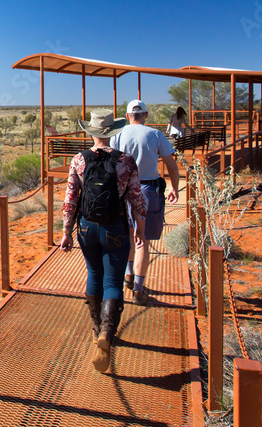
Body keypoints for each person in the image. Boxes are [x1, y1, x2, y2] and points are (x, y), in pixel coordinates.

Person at [60, 109, 146, 373]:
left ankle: (97, 328)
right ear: (112, 133)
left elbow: (70, 199)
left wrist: (66, 232)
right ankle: (107, 333)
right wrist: (140, 228)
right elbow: (136, 198)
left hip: (87, 227)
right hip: (116, 226)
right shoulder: (126, 161)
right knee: (113, 281)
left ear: (91, 132)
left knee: (94, 274)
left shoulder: (79, 160)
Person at [110, 100, 180, 305]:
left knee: (129, 235)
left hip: (124, 191)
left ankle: (128, 275)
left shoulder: (118, 135)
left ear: (127, 116)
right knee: (143, 240)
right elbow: (172, 166)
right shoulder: (155, 135)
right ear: (146, 115)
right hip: (148, 190)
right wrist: (174, 187)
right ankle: (139, 290)